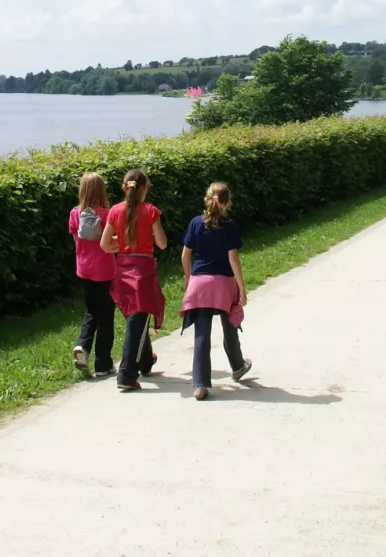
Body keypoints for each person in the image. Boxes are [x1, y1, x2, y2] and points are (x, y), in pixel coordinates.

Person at [179, 182, 253, 401]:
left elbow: (185, 255)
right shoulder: (229, 226)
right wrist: (242, 288)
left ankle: (200, 385)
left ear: (206, 199)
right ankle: (238, 366)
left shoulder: (195, 223)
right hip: (223, 284)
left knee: (202, 334)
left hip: (199, 284)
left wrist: (188, 278)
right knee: (230, 324)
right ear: (228, 202)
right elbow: (233, 259)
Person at [100, 168, 167, 391]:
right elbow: (162, 243)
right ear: (145, 189)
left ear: (123, 187)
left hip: (122, 270)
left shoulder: (115, 211)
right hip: (143, 272)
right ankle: (126, 374)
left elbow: (104, 244)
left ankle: (146, 361)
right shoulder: (150, 211)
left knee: (137, 316)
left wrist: (124, 242)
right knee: (137, 320)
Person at [68, 172, 115, 377]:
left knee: (91, 310)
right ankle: (103, 363)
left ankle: (82, 346)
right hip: (105, 269)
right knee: (106, 315)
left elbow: (75, 240)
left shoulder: (74, 213)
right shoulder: (107, 214)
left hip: (83, 268)